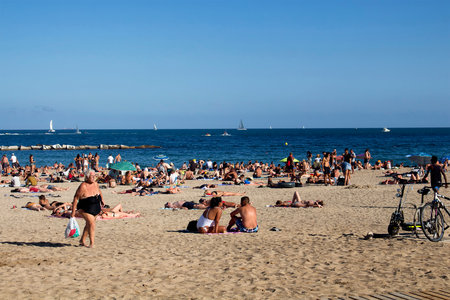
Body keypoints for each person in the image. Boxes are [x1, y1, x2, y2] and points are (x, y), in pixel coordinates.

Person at [71, 170, 104, 248]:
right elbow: (76, 198)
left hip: (96, 207)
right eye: (91, 176)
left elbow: (99, 191)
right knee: (92, 224)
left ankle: (82, 240)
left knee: (88, 224)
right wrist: (73, 213)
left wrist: (102, 200)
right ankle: (92, 243)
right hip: (85, 208)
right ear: (87, 176)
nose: (93, 177)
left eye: (94, 176)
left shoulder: (96, 184)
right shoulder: (83, 186)